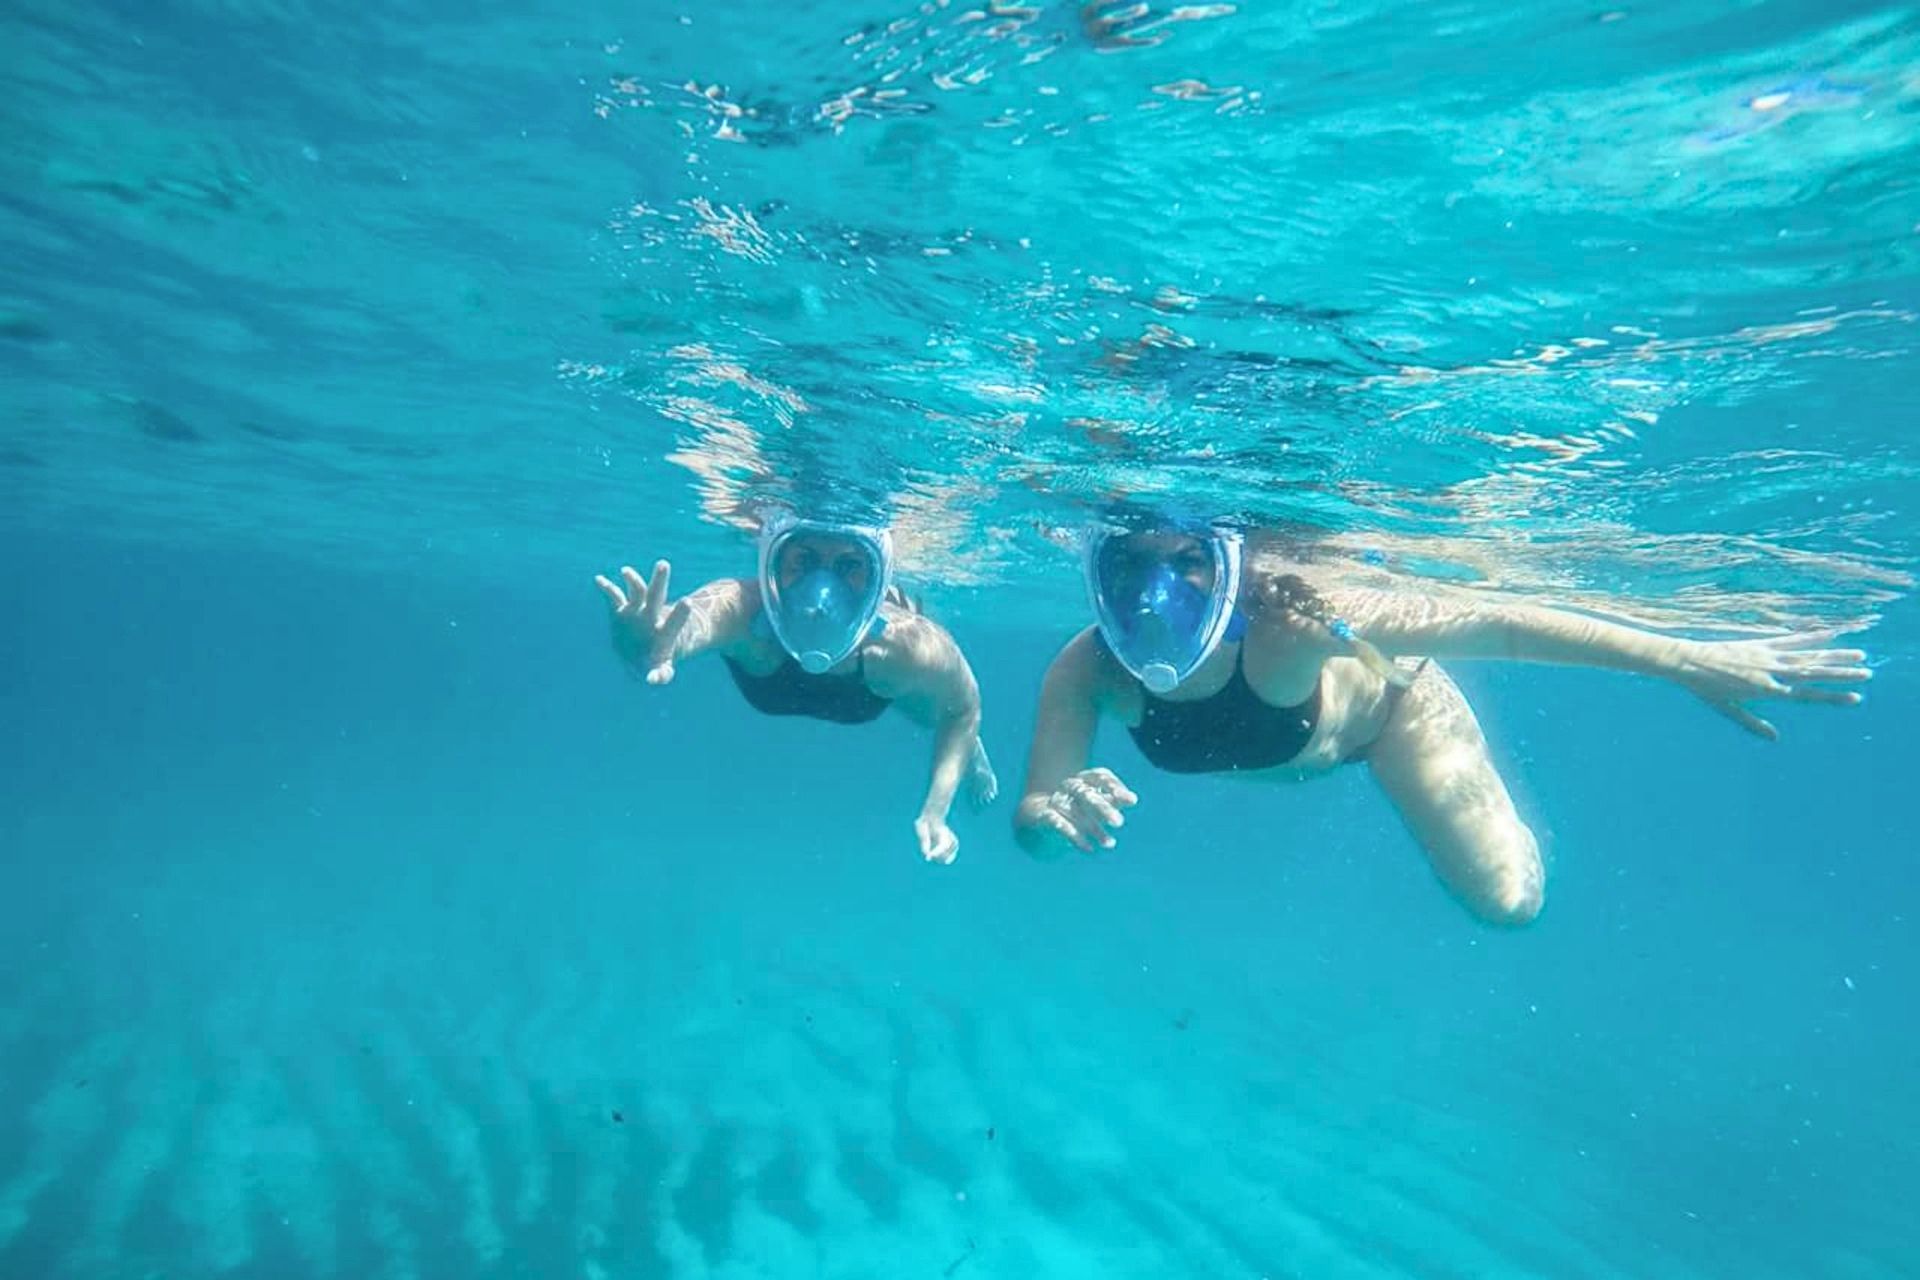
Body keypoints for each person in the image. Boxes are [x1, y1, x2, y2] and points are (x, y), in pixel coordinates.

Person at [1012, 515, 1871, 924]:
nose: (1160, 597)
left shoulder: (1293, 622)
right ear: (1100, 576)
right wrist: (1052, 821)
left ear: (1228, 565)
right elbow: (1034, 827)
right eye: (1133, 568)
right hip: (1307, 741)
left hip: (1392, 715)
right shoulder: (1086, 670)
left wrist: (1690, 660)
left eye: (1190, 565)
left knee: (1507, 903)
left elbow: (1500, 621)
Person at [596, 513, 997, 864]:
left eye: (848, 566)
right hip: (856, 679)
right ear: (773, 565)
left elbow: (965, 707)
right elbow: (685, 625)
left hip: (875, 674)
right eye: (803, 560)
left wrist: (935, 811)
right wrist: (643, 642)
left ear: (876, 579)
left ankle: (969, 748)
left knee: (931, 707)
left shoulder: (901, 645)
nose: (821, 591)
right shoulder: (742, 609)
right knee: (919, 694)